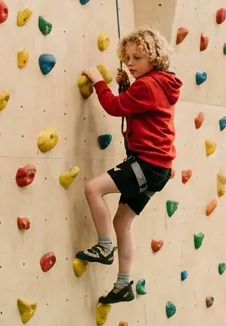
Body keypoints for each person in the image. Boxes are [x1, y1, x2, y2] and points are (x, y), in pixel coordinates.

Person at [77, 28, 181, 304]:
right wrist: (126, 85)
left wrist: (99, 81)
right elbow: (136, 106)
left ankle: (104, 248)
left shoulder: (146, 86)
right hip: (159, 169)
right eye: (127, 58)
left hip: (147, 162)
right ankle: (123, 284)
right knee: (122, 221)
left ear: (155, 58)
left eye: (137, 57)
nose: (130, 63)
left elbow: (114, 106)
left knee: (92, 189)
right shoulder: (160, 83)